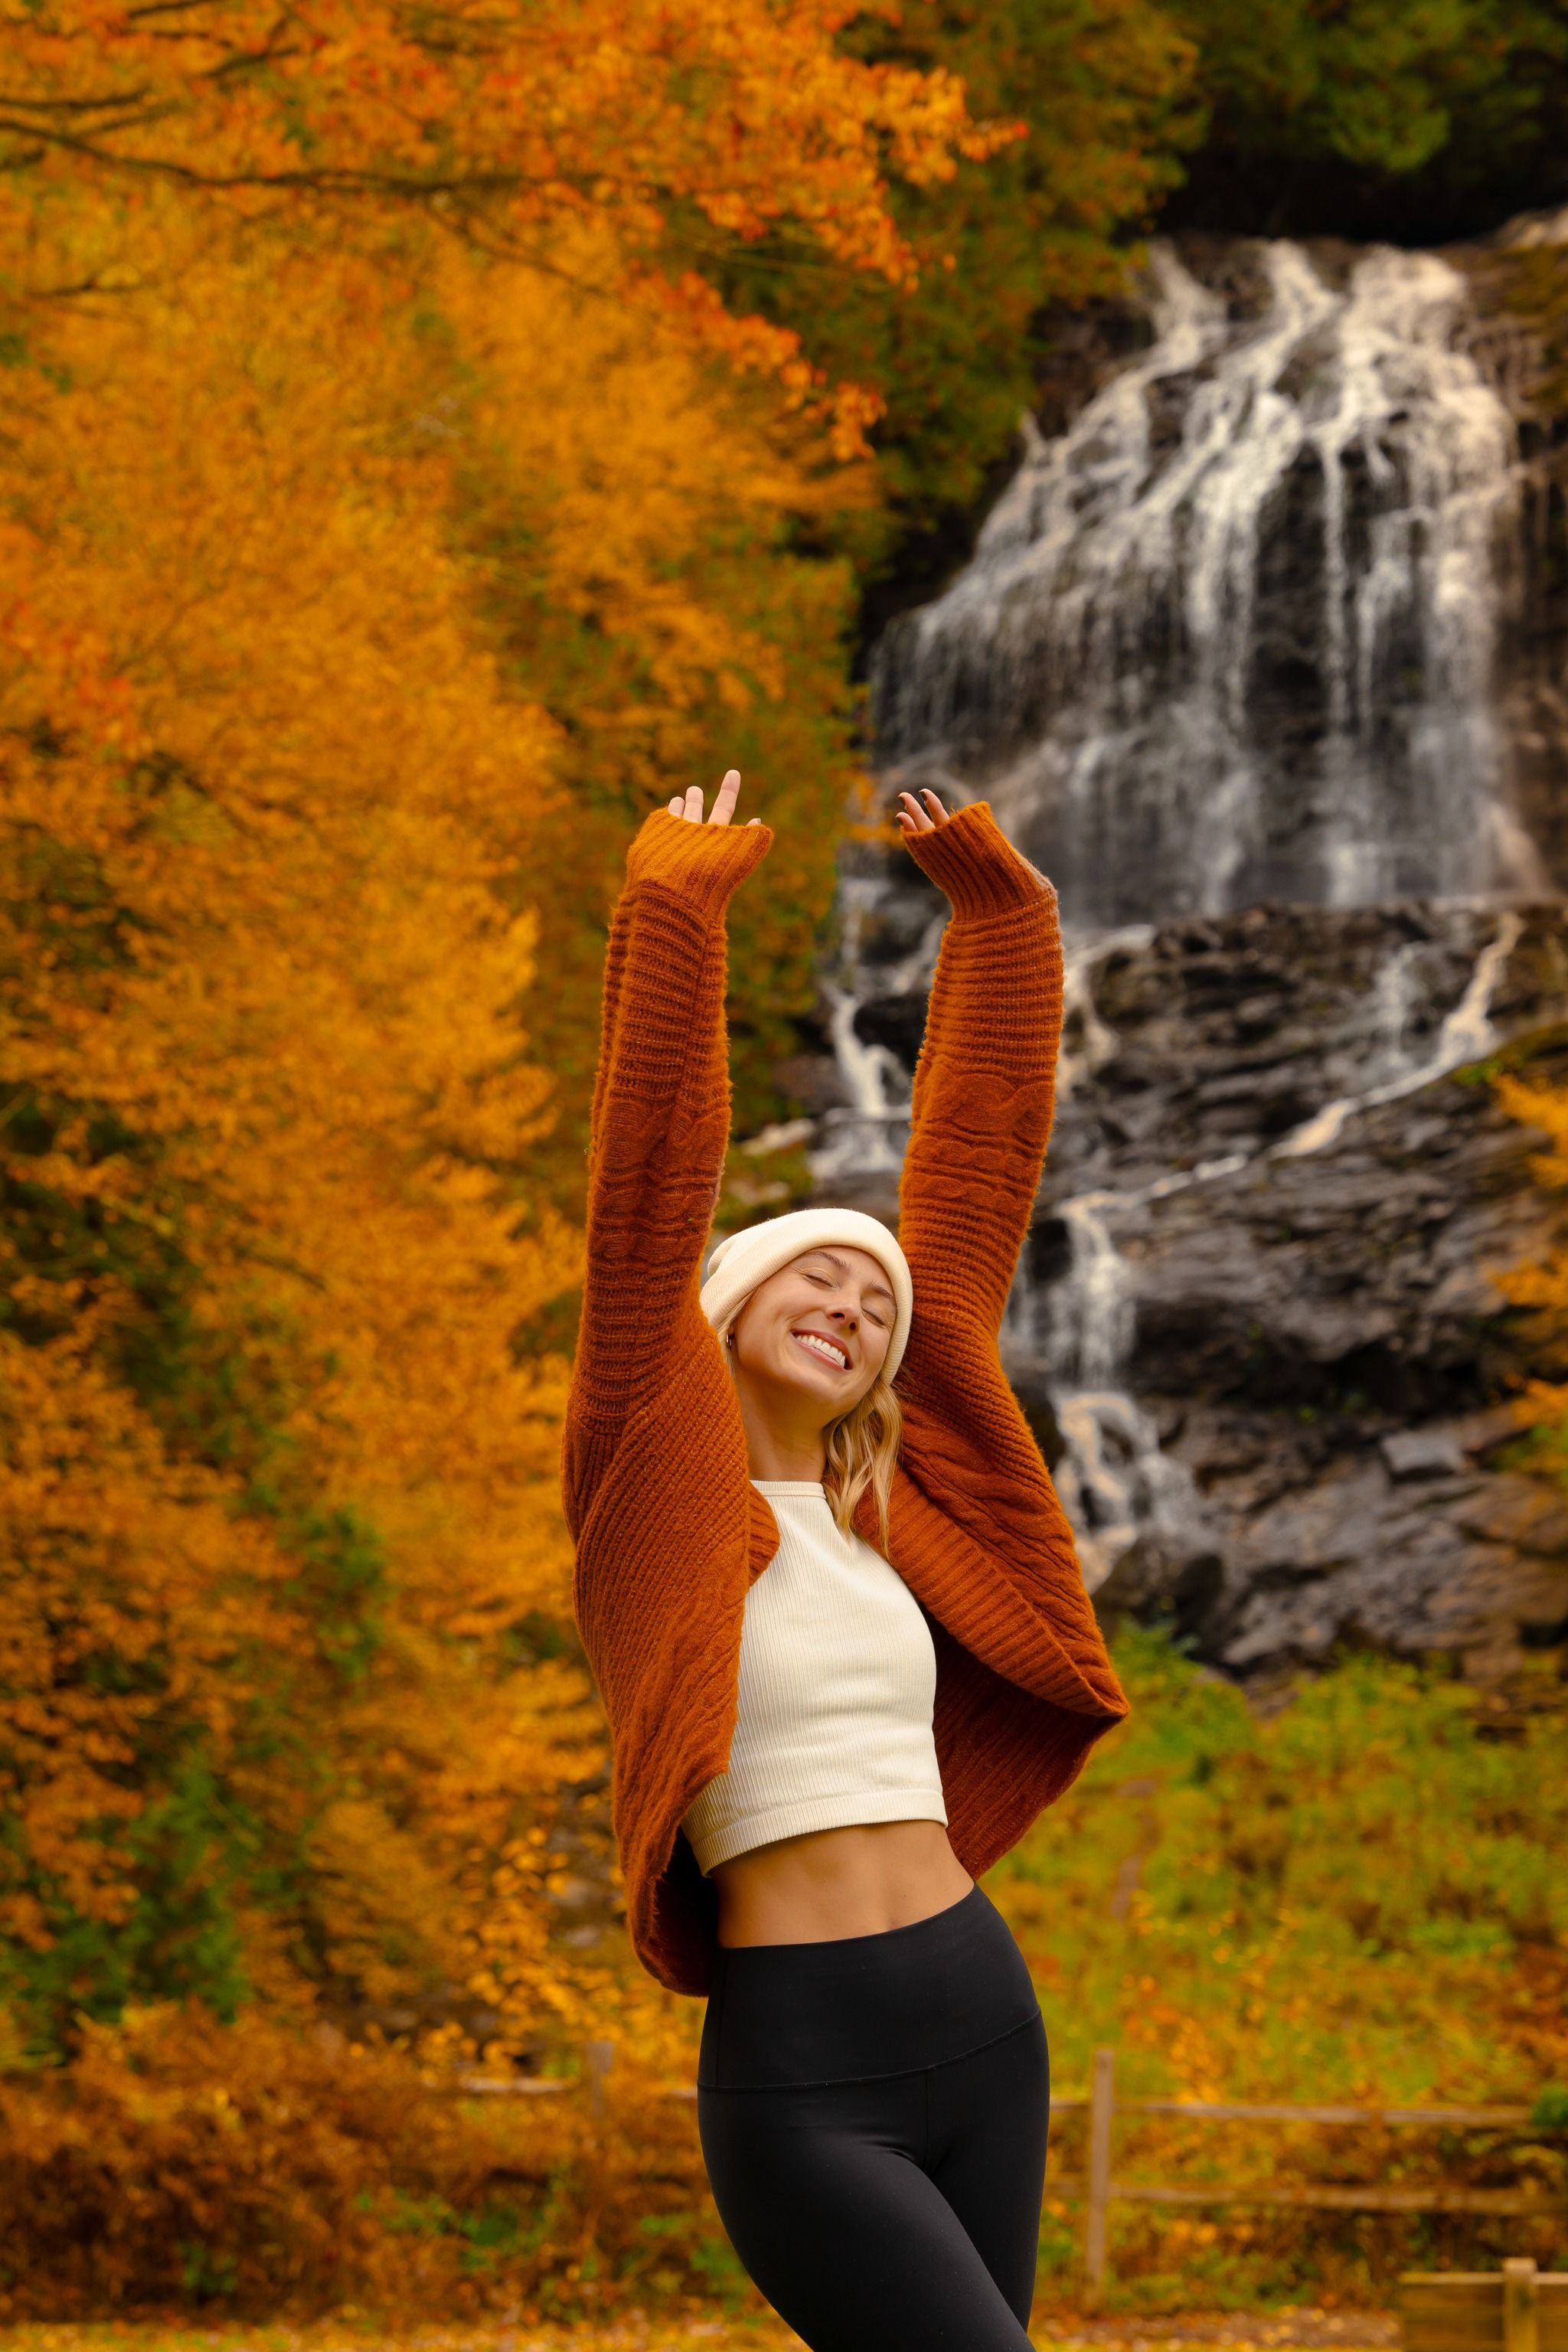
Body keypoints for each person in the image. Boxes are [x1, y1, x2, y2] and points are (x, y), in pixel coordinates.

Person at [564, 767, 1129, 2352]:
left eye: (874, 1305)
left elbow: (970, 1180)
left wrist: (1005, 921)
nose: (858, 1306)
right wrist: (674, 911)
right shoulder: (645, 1488)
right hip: (804, 2062)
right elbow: (643, 1200)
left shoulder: (900, 1520)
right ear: (723, 1315)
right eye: (816, 1276)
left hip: (978, 2015)